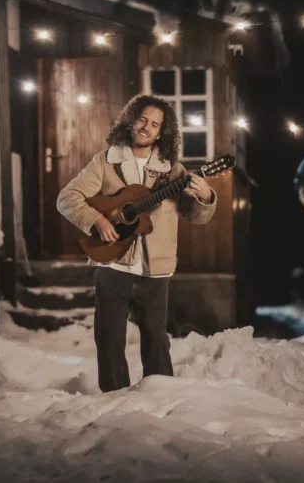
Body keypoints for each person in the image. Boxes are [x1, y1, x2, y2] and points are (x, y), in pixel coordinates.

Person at [56, 94, 217, 392]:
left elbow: (195, 216)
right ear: (130, 119)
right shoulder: (105, 162)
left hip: (155, 269)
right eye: (142, 119)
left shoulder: (173, 171)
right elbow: (67, 198)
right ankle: (115, 401)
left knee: (156, 340)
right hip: (113, 264)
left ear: (161, 132)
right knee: (109, 341)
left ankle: (161, 399)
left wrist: (205, 196)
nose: (146, 127)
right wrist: (96, 220)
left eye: (154, 124)